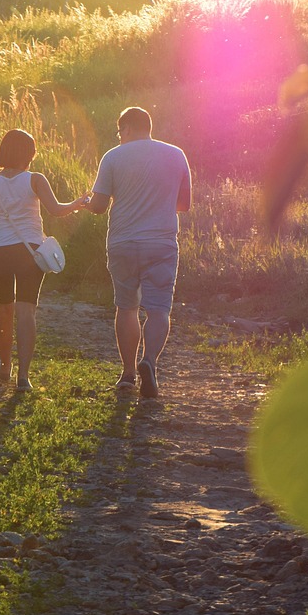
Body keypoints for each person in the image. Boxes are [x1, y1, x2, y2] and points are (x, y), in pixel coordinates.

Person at [0, 129, 89, 392]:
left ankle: (5, 364)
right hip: (28, 252)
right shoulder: (35, 180)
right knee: (25, 311)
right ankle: (24, 376)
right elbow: (56, 210)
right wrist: (77, 203)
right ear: (28, 154)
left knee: (3, 310)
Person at [85, 107, 192, 398]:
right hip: (161, 243)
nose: (119, 137)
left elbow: (98, 206)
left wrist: (86, 201)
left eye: (120, 132)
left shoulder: (113, 157)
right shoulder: (176, 154)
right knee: (158, 309)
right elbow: (183, 204)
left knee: (127, 306)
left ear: (128, 128)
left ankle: (128, 373)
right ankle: (150, 362)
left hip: (123, 243)